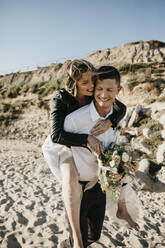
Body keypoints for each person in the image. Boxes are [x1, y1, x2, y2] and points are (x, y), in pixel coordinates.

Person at [42, 60, 126, 248]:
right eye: (84, 82)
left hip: (82, 145)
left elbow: (121, 107)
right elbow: (56, 135)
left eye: (92, 80)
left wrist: (111, 121)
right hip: (63, 144)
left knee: (94, 232)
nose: (91, 86)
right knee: (71, 176)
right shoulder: (60, 98)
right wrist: (87, 139)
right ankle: (76, 239)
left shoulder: (95, 95)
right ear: (74, 83)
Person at [63, 65, 139, 247]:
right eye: (100, 89)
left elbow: (117, 159)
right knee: (77, 240)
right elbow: (57, 147)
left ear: (118, 90)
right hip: (79, 191)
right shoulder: (74, 120)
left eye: (110, 90)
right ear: (93, 89)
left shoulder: (116, 118)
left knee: (93, 236)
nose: (104, 95)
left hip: (100, 189)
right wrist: (68, 176)